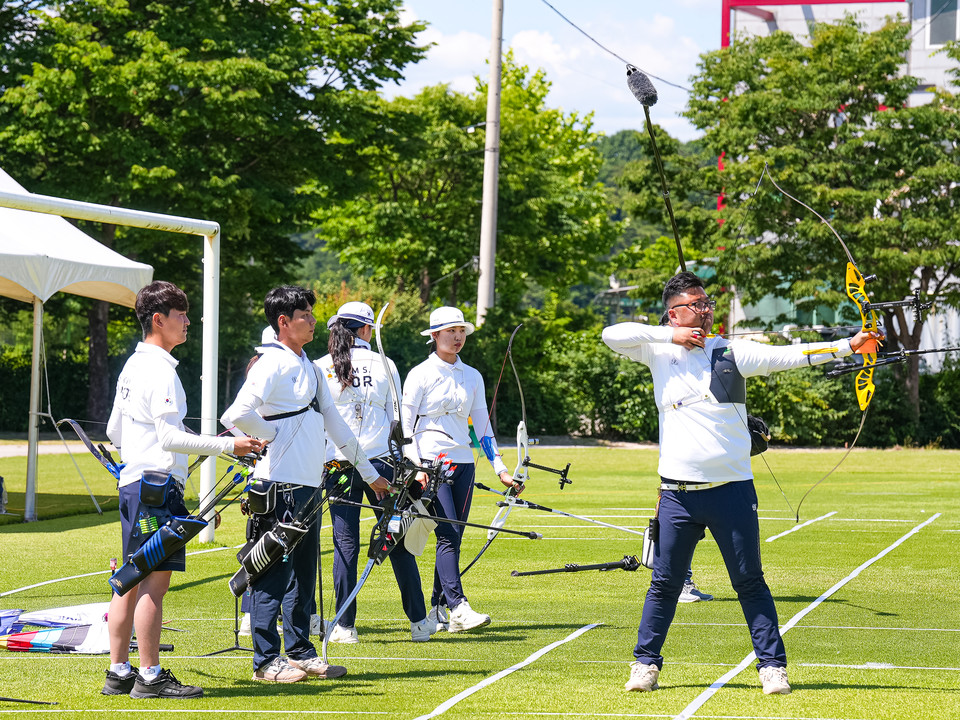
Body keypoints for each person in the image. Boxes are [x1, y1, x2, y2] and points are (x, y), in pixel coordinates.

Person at [602, 271, 880, 695]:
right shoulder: (656, 350)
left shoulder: (730, 352)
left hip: (732, 491)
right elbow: (611, 334)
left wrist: (847, 345)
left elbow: (792, 355)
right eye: (695, 304)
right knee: (664, 584)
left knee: (749, 580)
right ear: (673, 313)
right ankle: (645, 665)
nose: (706, 309)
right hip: (677, 494)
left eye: (707, 302)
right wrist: (670, 336)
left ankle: (772, 667)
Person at [102, 281, 262, 699]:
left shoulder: (132, 368)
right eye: (181, 314)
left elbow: (113, 431)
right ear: (159, 319)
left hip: (135, 485)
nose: (189, 321)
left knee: (129, 578)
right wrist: (231, 445)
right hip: (155, 489)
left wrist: (143, 456)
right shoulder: (160, 371)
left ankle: (119, 672)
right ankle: (150, 676)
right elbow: (170, 437)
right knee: (154, 582)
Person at [221, 286, 389, 684]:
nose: (314, 320)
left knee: (302, 572)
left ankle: (300, 652)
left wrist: (370, 474)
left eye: (313, 314)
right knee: (272, 573)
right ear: (283, 322)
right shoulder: (270, 364)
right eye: (305, 315)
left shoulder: (312, 368)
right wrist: (270, 435)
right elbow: (236, 414)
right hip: (277, 485)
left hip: (310, 486)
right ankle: (265, 661)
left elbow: (337, 425)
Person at [316, 301, 434, 643]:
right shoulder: (386, 364)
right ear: (367, 330)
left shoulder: (320, 365)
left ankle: (344, 625)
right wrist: (412, 464)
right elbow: (397, 421)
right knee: (396, 539)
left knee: (345, 543)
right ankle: (418, 622)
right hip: (382, 462)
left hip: (338, 464)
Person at [401, 306, 518, 633]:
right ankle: (458, 608)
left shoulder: (473, 376)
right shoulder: (419, 374)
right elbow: (404, 428)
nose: (457, 337)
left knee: (453, 537)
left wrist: (500, 467)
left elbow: (482, 427)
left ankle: (439, 606)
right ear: (435, 336)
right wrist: (415, 465)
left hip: (464, 465)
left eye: (461, 331)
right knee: (447, 534)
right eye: (450, 331)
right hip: (431, 464)